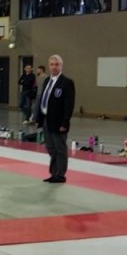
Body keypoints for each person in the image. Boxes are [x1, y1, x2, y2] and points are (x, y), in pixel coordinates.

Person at [33, 54, 75, 183]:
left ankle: (60, 174)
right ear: (48, 66)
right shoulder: (46, 81)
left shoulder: (66, 83)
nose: (54, 67)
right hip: (46, 119)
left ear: (61, 66)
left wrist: (65, 122)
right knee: (50, 147)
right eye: (52, 64)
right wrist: (38, 119)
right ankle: (54, 172)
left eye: (57, 64)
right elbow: (42, 100)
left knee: (60, 148)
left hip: (59, 121)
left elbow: (69, 105)